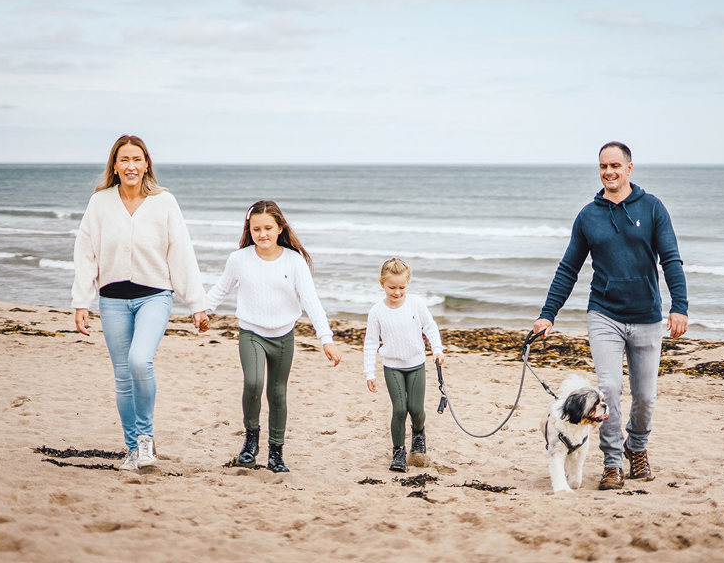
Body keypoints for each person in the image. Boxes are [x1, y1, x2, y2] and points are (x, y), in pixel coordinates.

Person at [532, 141, 688, 491]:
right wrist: (547, 314)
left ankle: (637, 448)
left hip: (647, 315)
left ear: (629, 168)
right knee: (609, 390)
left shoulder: (652, 208)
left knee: (645, 396)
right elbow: (568, 268)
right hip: (604, 315)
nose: (609, 172)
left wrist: (680, 306)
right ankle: (613, 463)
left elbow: (671, 259)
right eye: (603, 166)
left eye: (615, 165)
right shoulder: (589, 215)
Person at [72, 135, 210, 471]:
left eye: (137, 159)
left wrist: (196, 303)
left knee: (139, 361)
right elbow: (85, 252)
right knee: (122, 376)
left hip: (154, 296)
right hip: (112, 299)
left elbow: (181, 251)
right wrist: (81, 301)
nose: (131, 166)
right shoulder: (100, 203)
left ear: (146, 163)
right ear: (115, 167)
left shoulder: (164, 202)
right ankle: (132, 448)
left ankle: (146, 440)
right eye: (124, 160)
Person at [206, 200, 342, 473]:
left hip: (283, 336)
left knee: (277, 394)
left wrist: (326, 339)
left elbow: (311, 301)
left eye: (268, 227)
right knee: (254, 384)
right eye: (256, 229)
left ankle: (276, 453)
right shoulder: (239, 259)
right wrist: (203, 311)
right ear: (250, 229)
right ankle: (251, 440)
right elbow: (221, 289)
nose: (262, 234)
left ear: (280, 228)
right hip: (251, 332)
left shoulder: (294, 262)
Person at [362, 258, 445, 473]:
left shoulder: (416, 303)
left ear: (408, 283)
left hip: (416, 364)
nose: (397, 292)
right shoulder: (376, 311)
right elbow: (370, 343)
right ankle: (398, 451)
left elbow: (430, 326)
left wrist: (437, 350)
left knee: (416, 409)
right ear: (382, 284)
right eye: (392, 287)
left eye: (402, 287)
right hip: (392, 366)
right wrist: (369, 372)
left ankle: (419, 435)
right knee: (399, 409)